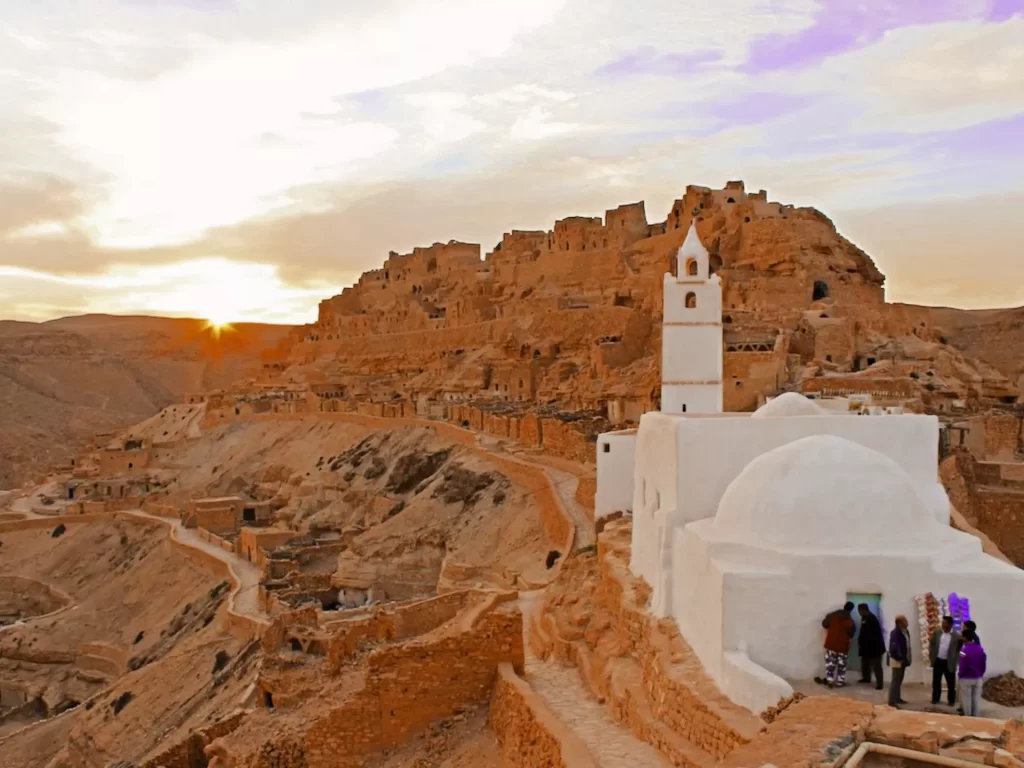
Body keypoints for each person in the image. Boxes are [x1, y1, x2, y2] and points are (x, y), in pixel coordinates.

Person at [820, 601, 856, 688]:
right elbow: (851, 634)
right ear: (851, 610)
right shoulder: (850, 621)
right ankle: (840, 682)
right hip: (843, 646)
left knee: (830, 663)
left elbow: (824, 624)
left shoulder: (833, 615)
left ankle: (830, 679)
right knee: (842, 665)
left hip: (831, 644)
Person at [929, 616, 962, 706]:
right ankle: (935, 699)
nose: (943, 625)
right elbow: (932, 644)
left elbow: (959, 649)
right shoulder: (937, 633)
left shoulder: (957, 636)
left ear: (951, 624)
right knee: (936, 681)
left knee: (951, 683)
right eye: (942, 623)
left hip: (949, 662)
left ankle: (951, 701)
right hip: (938, 660)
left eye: (945, 623)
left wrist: (956, 659)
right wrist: (932, 656)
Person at [958, 629, 987, 717]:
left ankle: (968, 718)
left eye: (962, 637)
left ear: (965, 638)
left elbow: (962, 665)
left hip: (966, 678)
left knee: (966, 699)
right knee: (976, 699)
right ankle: (976, 718)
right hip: (978, 678)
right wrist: (981, 673)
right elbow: (983, 662)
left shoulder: (963, 651)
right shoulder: (980, 649)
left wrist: (960, 675)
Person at [856, 603, 885, 690]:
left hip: (875, 647)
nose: (859, 613)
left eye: (860, 611)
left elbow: (871, 635)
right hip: (866, 647)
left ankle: (880, 683)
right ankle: (866, 678)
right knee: (865, 662)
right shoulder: (865, 618)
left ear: (863, 610)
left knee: (876, 665)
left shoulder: (871, 619)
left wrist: (865, 644)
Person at [888, 614, 912, 707]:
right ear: (899, 623)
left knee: (899, 680)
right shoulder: (896, 633)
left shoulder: (906, 631)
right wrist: (899, 658)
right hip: (897, 660)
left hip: (903, 659)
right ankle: (892, 700)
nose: (907, 622)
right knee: (895, 680)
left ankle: (897, 698)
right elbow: (893, 648)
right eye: (905, 621)